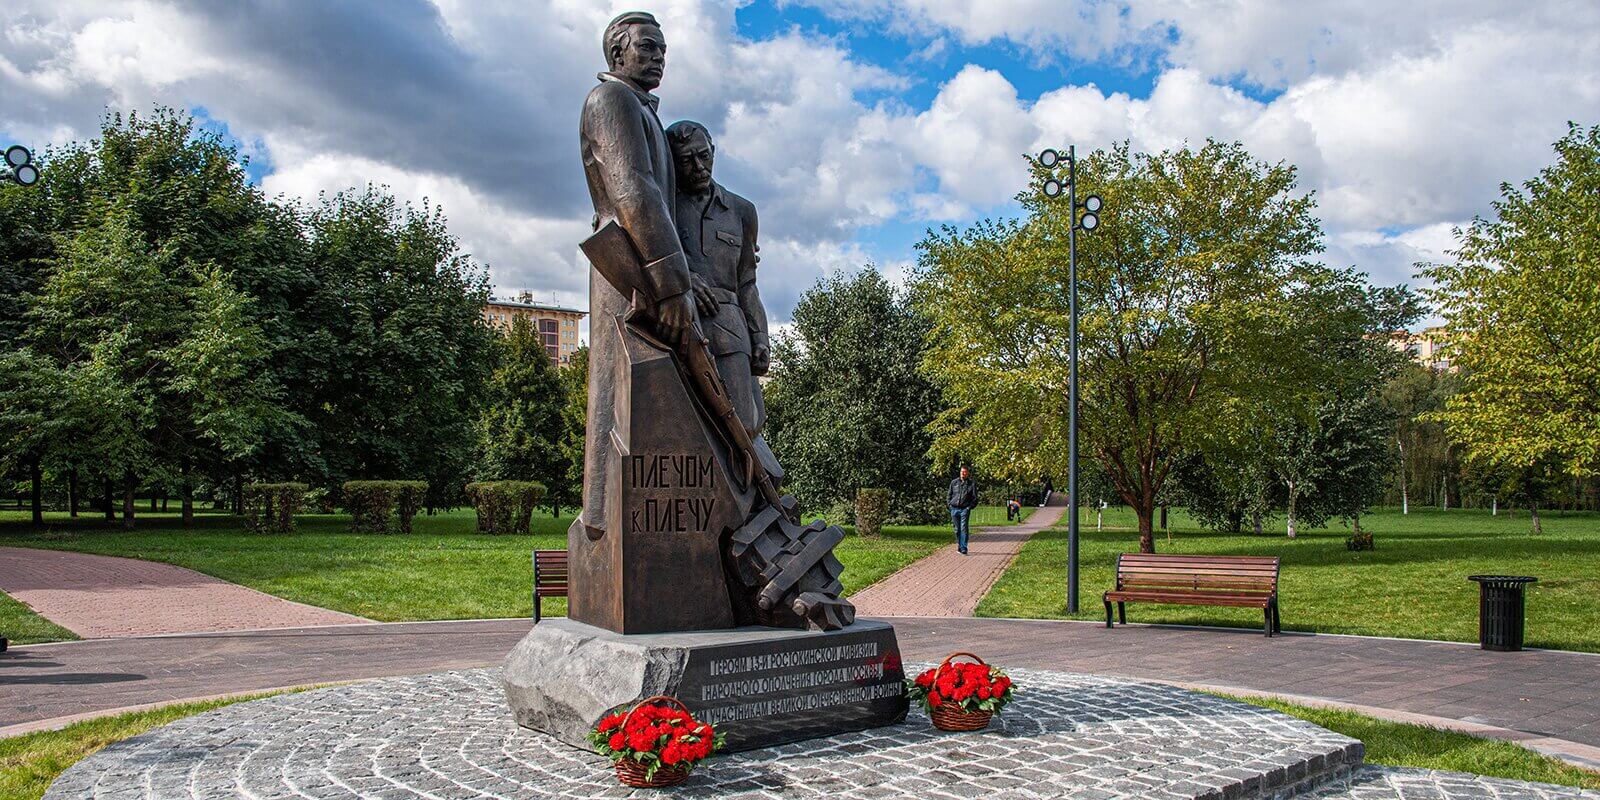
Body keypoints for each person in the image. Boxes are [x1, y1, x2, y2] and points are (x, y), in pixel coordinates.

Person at [574, 11, 697, 539]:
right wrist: (673, 283)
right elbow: (633, 192)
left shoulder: (642, 111)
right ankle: (602, 521)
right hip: (629, 269)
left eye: (663, 49)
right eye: (647, 47)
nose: (658, 56)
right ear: (616, 53)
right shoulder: (611, 101)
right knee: (614, 384)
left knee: (646, 388)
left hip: (645, 266)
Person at [665, 120, 769, 433]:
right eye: (686, 160)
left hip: (730, 328)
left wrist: (760, 336)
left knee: (743, 426)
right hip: (679, 326)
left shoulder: (742, 211)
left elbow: (748, 282)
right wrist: (684, 276)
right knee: (682, 427)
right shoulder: (664, 207)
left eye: (704, 156)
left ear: (713, 152)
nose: (698, 167)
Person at [948, 466, 978, 554]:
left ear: (967, 473)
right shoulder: (954, 482)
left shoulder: (971, 484)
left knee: (963, 528)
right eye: (962, 471)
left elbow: (975, 498)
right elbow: (949, 495)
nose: (963, 473)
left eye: (965, 472)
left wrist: (969, 507)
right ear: (960, 472)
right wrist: (949, 505)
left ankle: (964, 547)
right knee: (957, 529)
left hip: (965, 509)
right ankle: (959, 545)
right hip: (954, 508)